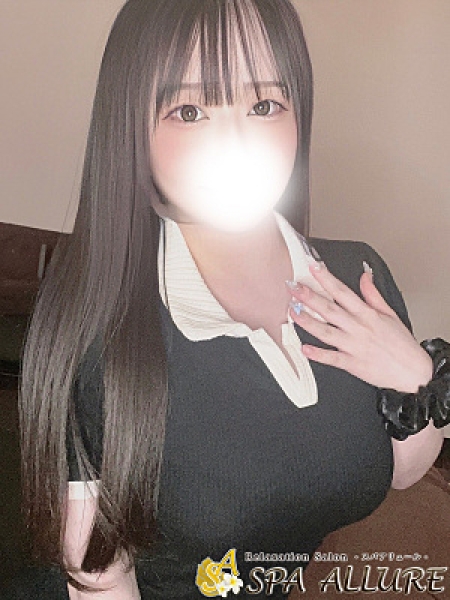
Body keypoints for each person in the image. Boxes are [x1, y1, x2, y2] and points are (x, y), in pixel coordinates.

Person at [18, 1, 448, 598]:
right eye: (190, 111)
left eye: (264, 105)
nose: (237, 143)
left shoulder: (358, 274)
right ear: (132, 127)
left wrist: (415, 377)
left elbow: (402, 473)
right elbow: (98, 575)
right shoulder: (95, 320)